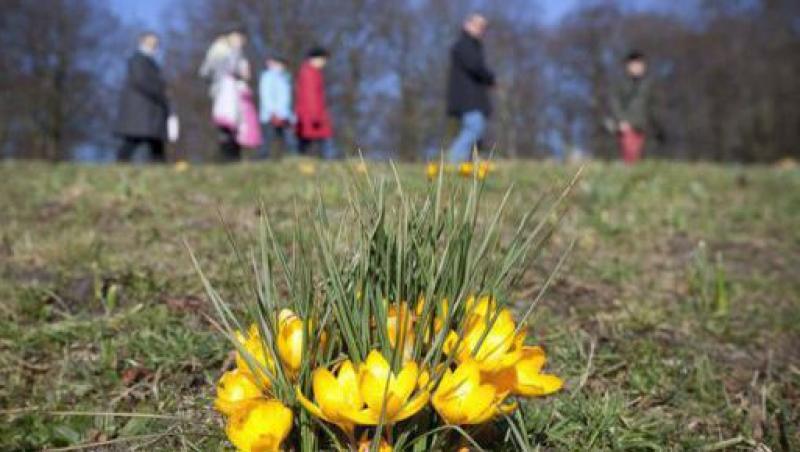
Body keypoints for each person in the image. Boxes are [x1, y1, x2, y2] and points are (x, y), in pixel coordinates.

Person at [199, 30, 257, 162]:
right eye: (236, 38)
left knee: (237, 126)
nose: (239, 41)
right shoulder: (220, 52)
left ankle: (235, 157)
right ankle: (226, 157)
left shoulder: (241, 56)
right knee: (225, 124)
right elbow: (207, 71)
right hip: (223, 94)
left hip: (237, 95)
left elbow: (245, 75)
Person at [446, 13, 495, 163]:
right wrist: (490, 77)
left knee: (477, 133)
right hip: (468, 99)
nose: (481, 30)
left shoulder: (472, 46)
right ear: (467, 25)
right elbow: (474, 66)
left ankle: (470, 164)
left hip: (471, 99)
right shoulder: (464, 45)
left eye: (483, 27)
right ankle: (453, 162)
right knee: (474, 129)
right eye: (477, 25)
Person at [114, 32, 171, 163]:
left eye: (155, 43)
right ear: (142, 41)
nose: (154, 45)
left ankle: (160, 165)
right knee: (134, 140)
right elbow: (141, 80)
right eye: (151, 42)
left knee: (154, 141)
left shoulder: (148, 61)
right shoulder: (138, 59)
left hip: (149, 110)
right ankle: (120, 163)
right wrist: (161, 92)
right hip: (141, 110)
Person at [609, 50, 655, 164]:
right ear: (627, 66)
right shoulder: (621, 84)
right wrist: (621, 120)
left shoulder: (648, 85)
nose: (637, 68)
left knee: (640, 153)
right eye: (634, 65)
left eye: (640, 65)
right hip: (626, 124)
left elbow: (652, 106)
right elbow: (615, 103)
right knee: (629, 152)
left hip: (643, 125)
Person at [295, 47, 336, 159]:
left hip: (312, 113)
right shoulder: (309, 74)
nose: (324, 63)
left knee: (307, 139)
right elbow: (310, 96)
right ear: (315, 59)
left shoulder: (312, 73)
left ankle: (303, 159)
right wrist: (315, 115)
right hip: (312, 114)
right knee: (323, 140)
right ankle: (327, 161)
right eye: (323, 60)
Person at [258, 56, 297, 159]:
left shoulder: (285, 79)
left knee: (282, 138)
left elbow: (286, 100)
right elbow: (266, 95)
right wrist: (272, 111)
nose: (281, 67)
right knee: (269, 138)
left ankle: (281, 158)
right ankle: (264, 158)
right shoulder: (268, 77)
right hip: (272, 115)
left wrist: (290, 116)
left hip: (283, 115)